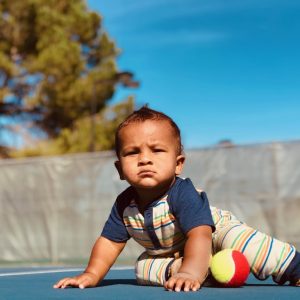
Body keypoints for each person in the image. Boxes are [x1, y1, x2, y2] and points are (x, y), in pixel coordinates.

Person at [54, 106, 300, 292]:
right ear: (120, 170)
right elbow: (109, 242)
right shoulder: (123, 205)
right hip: (172, 254)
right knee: (142, 268)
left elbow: (200, 234)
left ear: (178, 164)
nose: (144, 159)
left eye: (157, 150)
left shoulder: (182, 193)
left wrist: (191, 272)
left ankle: (293, 266)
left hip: (214, 235)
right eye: (132, 152)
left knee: (243, 241)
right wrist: (91, 274)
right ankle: (202, 271)